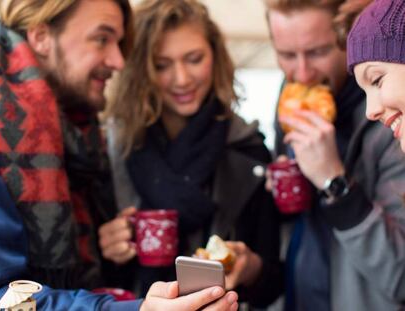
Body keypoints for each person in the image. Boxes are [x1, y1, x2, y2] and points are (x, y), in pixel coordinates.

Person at [0, 0, 239, 310]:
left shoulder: (79, 135)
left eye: (119, 43)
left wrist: (106, 244)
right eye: (101, 39)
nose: (119, 61)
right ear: (41, 36)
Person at [101, 0, 283, 308]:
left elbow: (274, 285)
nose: (182, 78)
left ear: (216, 56)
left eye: (194, 59)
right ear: (138, 70)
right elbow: (88, 283)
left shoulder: (248, 150)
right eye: (161, 65)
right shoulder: (109, 149)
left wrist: (252, 269)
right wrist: (106, 247)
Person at [264, 0, 405, 310]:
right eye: (287, 55)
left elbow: (401, 276)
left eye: (317, 52)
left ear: (347, 37)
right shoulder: (289, 103)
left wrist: (334, 183)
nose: (302, 73)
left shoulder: (393, 122)